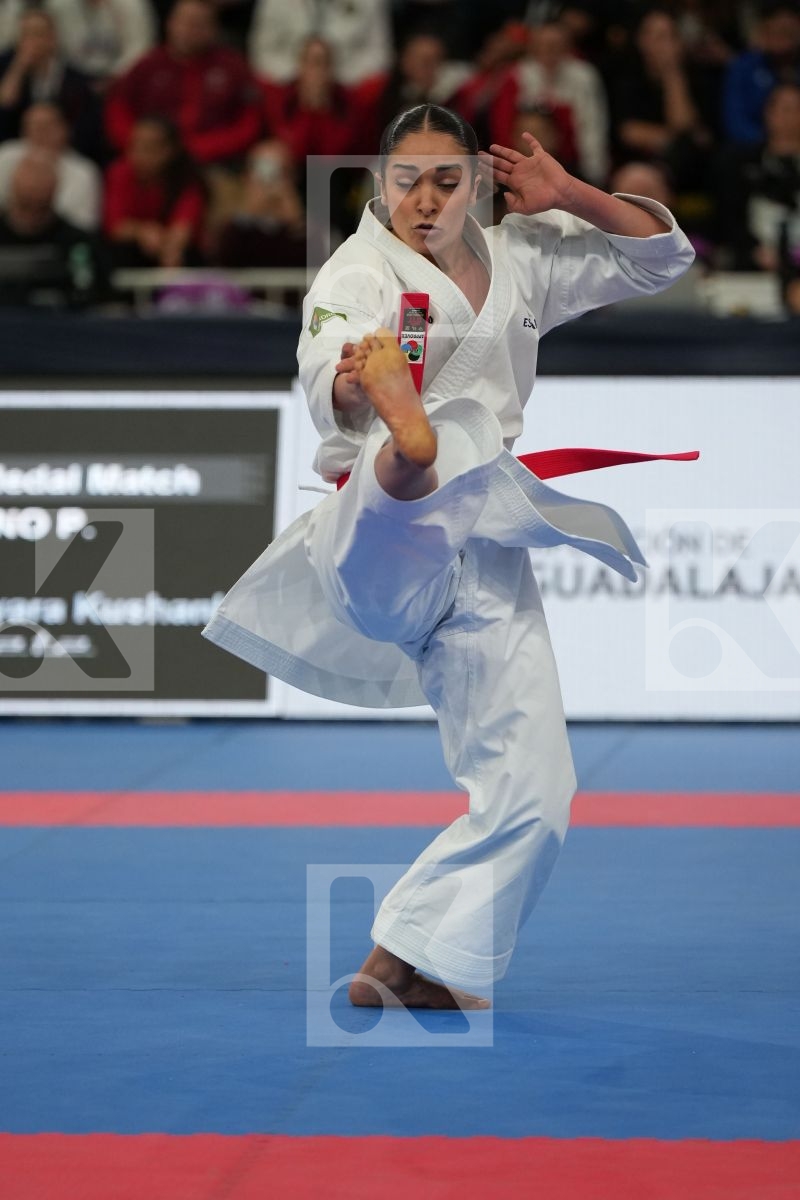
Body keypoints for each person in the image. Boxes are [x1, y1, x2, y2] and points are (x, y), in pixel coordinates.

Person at [202, 104, 694, 1009]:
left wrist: (571, 195)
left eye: (446, 180)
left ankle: (409, 954)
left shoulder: (526, 256)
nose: (424, 201)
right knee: (405, 463)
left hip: (486, 546)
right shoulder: (355, 275)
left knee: (539, 789)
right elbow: (326, 376)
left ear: (478, 181)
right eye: (404, 181)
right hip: (375, 534)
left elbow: (660, 258)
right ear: (377, 182)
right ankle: (409, 446)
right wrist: (358, 384)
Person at [105, 0, 262, 167]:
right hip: (150, 164)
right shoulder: (147, 65)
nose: (190, 31)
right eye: (185, 22)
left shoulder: (233, 67)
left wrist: (204, 147)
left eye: (199, 24)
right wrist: (144, 146)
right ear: (169, 24)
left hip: (216, 163)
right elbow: (118, 110)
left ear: (214, 29)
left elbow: (250, 122)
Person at [0, 150, 107, 306]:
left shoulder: (78, 242)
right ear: (12, 188)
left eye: (38, 206)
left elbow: (97, 295)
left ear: (54, 191)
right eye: (26, 205)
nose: (33, 189)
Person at [0, 8, 104, 160]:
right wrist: (19, 67)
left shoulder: (76, 80)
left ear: (53, 38)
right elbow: (5, 106)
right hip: (20, 153)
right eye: (25, 35)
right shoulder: (8, 70)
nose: (31, 42)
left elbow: (85, 130)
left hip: (65, 153)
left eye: (38, 34)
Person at [104, 115, 206, 266]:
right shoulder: (120, 172)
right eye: (134, 146)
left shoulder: (187, 179)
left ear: (170, 150)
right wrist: (141, 232)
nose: (138, 155)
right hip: (132, 252)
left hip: (173, 252)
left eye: (148, 148)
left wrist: (168, 245)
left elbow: (183, 229)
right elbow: (115, 226)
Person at [0, 101, 102, 231]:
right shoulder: (5, 156)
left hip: (60, 244)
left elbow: (84, 224)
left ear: (64, 129)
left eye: (45, 127)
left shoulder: (84, 172)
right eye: (31, 127)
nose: (38, 133)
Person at [724, 1, 800, 145]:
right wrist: (771, 143)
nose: (781, 36)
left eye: (787, 32)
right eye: (775, 31)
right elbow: (735, 121)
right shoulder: (743, 67)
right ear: (763, 31)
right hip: (757, 147)